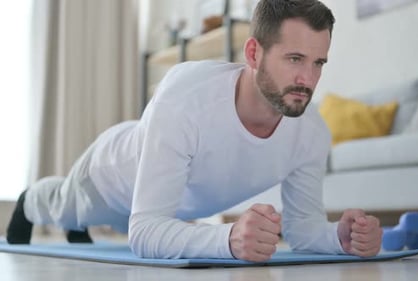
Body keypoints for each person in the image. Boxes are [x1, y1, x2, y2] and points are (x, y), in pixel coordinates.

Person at [6, 0, 382, 262]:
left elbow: (303, 229)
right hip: (111, 176)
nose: (308, 79)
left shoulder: (311, 132)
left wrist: (340, 237)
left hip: (167, 200)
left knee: (92, 223)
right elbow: (146, 231)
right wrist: (229, 239)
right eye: (295, 59)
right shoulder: (186, 96)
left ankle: (79, 228)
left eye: (318, 63)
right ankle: (29, 200)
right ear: (253, 54)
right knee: (66, 209)